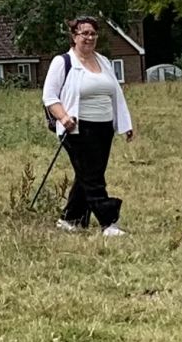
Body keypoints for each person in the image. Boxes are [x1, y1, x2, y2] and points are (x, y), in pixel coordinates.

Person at [42, 15, 135, 236]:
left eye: (93, 33)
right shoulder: (62, 62)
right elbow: (49, 97)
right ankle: (108, 222)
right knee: (93, 177)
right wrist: (63, 118)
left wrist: (125, 124)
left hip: (104, 128)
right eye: (84, 33)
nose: (89, 37)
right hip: (77, 128)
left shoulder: (103, 61)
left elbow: (116, 94)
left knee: (89, 174)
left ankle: (70, 219)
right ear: (74, 36)